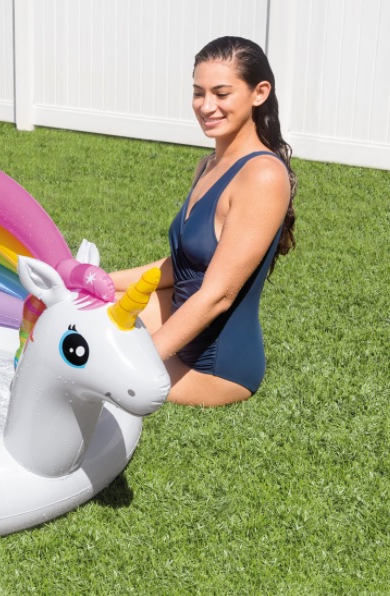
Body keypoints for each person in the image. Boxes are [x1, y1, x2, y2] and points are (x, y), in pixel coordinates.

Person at [110, 36, 297, 407]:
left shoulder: (262, 176)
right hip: (179, 324)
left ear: (259, 93)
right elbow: (183, 266)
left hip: (214, 367)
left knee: (86, 369)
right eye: (199, 92)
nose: (206, 106)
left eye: (221, 93)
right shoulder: (208, 165)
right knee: (85, 311)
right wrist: (103, 281)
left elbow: (217, 296)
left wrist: (140, 360)